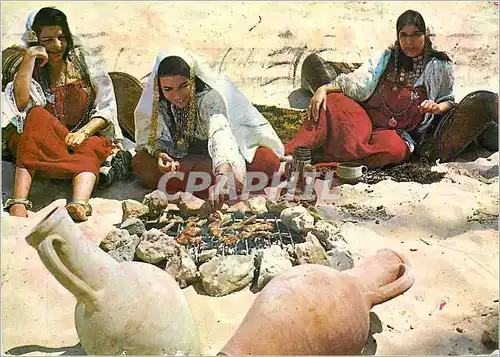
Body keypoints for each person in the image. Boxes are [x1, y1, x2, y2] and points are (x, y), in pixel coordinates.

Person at [286, 9, 455, 168]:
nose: (409, 42)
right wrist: (324, 89)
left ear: (424, 35)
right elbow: (357, 83)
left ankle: (329, 155)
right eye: (404, 35)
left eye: (415, 35)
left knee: (395, 149)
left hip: (395, 134)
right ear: (398, 36)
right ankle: (297, 151)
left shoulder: (438, 66)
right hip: (364, 120)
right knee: (332, 101)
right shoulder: (386, 58)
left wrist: (437, 107)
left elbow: (448, 100)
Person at [2, 7, 123, 221]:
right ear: (34, 39)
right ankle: (18, 202)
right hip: (44, 142)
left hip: (81, 138)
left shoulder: (85, 62)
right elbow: (21, 104)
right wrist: (29, 58)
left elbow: (106, 106)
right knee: (36, 115)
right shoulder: (28, 66)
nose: (57, 46)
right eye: (47, 40)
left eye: (61, 37)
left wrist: (83, 133)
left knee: (94, 146)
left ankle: (79, 204)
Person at [132, 47, 284, 209]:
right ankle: (211, 186)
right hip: (186, 161)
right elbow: (154, 138)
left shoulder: (209, 99)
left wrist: (223, 172)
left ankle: (214, 184)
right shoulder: (160, 103)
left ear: (193, 79)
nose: (177, 96)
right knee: (141, 163)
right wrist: (160, 154)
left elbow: (220, 134)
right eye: (168, 89)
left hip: (223, 160)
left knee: (266, 161)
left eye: (183, 86)